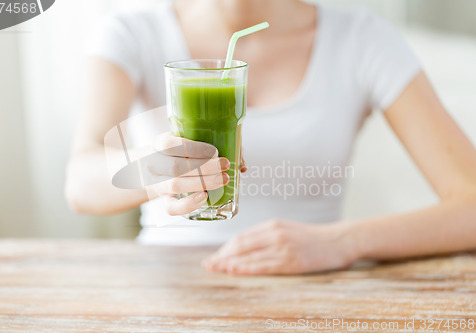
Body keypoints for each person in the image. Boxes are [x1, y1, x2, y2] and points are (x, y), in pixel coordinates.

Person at [65, 0, 476, 276]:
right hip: (167, 283)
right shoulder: (131, 31)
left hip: (313, 285)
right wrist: (155, 168)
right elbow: (81, 184)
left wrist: (344, 241)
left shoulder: (361, 39)